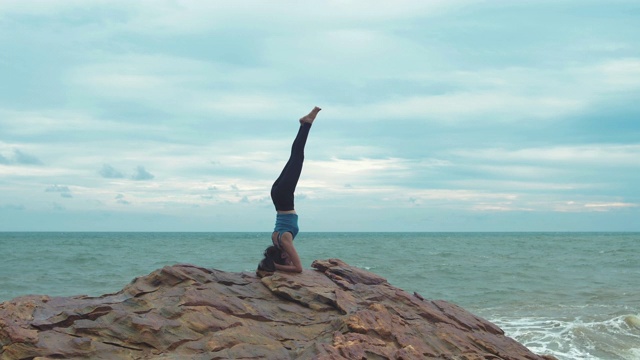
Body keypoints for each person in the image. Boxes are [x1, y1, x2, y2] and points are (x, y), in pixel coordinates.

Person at [260, 106, 321, 274]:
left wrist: (275, 267)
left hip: (285, 198)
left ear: (282, 257)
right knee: (294, 156)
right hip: (276, 195)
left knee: (297, 157)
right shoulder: (275, 239)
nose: (289, 259)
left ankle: (306, 124)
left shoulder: (285, 241)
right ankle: (304, 125)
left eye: (286, 259)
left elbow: (298, 269)